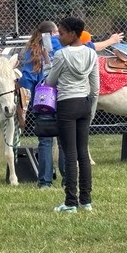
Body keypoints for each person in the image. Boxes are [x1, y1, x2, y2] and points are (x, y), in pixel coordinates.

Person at [45, 17, 99, 213]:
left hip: (66, 104)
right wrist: (90, 110)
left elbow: (50, 82)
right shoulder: (92, 54)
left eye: (61, 33)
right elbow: (95, 88)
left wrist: (48, 68)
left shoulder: (61, 55)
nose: (58, 36)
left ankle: (70, 202)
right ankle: (86, 200)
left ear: (73, 34)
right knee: (83, 153)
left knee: (70, 153)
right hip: (84, 103)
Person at [18, 21, 65, 189]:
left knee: (45, 142)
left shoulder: (33, 50)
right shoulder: (63, 46)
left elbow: (26, 80)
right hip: (63, 98)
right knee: (63, 141)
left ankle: (45, 181)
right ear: (54, 32)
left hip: (43, 100)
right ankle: (67, 179)